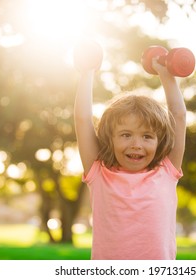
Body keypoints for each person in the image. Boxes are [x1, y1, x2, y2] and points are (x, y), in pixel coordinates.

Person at [74, 56, 187, 260]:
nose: (136, 144)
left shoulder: (166, 171)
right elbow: (82, 119)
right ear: (110, 138)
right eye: (126, 135)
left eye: (147, 136)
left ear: (158, 140)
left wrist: (165, 73)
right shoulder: (99, 173)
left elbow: (178, 115)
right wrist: (87, 71)